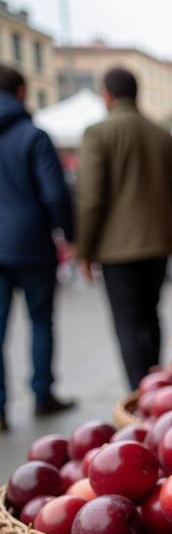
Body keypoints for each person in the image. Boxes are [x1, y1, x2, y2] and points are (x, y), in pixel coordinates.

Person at [77, 67, 172, 391]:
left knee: (127, 322)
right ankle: (154, 385)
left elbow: (90, 199)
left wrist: (84, 250)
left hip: (117, 249)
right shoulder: (163, 135)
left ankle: (138, 394)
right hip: (158, 242)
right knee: (151, 315)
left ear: (107, 96)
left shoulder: (98, 133)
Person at [0, 65, 75, 431]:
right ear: (22, 92)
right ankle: (42, 394)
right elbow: (55, 193)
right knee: (40, 319)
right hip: (30, 243)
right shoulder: (34, 136)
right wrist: (69, 233)